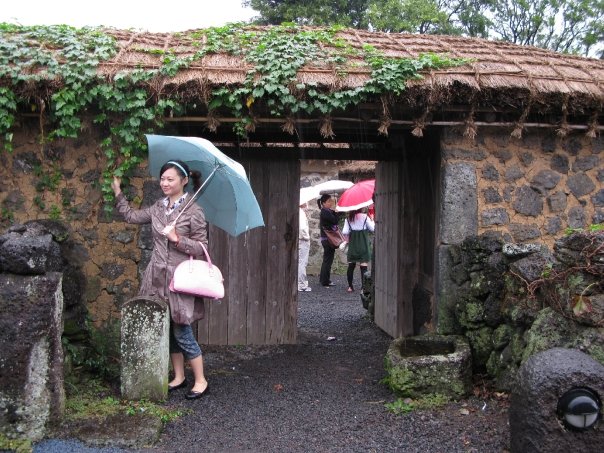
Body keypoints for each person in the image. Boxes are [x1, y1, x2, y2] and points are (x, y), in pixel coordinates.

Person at [111, 160, 209, 400]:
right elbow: (131, 216)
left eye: (170, 179)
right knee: (166, 327)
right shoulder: (157, 207)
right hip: (155, 277)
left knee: (182, 330)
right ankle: (179, 376)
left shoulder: (194, 211)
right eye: (163, 179)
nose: (164, 183)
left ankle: (201, 380)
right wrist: (117, 192)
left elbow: (201, 247)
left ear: (184, 181)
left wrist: (177, 239)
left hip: (179, 278)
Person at [342, 208, 375, 292]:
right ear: (361, 208)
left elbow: (345, 231)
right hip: (363, 244)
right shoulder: (365, 217)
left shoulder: (348, 219)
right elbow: (373, 229)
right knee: (363, 267)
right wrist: (372, 220)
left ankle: (350, 287)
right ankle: (363, 287)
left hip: (353, 245)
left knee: (351, 266)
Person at [318, 194, 339, 287]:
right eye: (329, 201)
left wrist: (335, 211)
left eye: (331, 201)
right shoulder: (325, 212)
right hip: (328, 239)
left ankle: (323, 279)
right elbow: (335, 221)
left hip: (326, 239)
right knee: (328, 261)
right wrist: (336, 212)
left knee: (326, 260)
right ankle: (325, 281)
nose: (331, 203)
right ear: (323, 203)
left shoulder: (326, 211)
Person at [298, 203, 312, 292]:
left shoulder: (298, 212)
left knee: (300, 262)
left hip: (299, 239)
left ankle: (299, 283)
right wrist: (307, 237)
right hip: (302, 240)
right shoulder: (301, 213)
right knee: (302, 262)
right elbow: (302, 228)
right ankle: (302, 284)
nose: (307, 206)